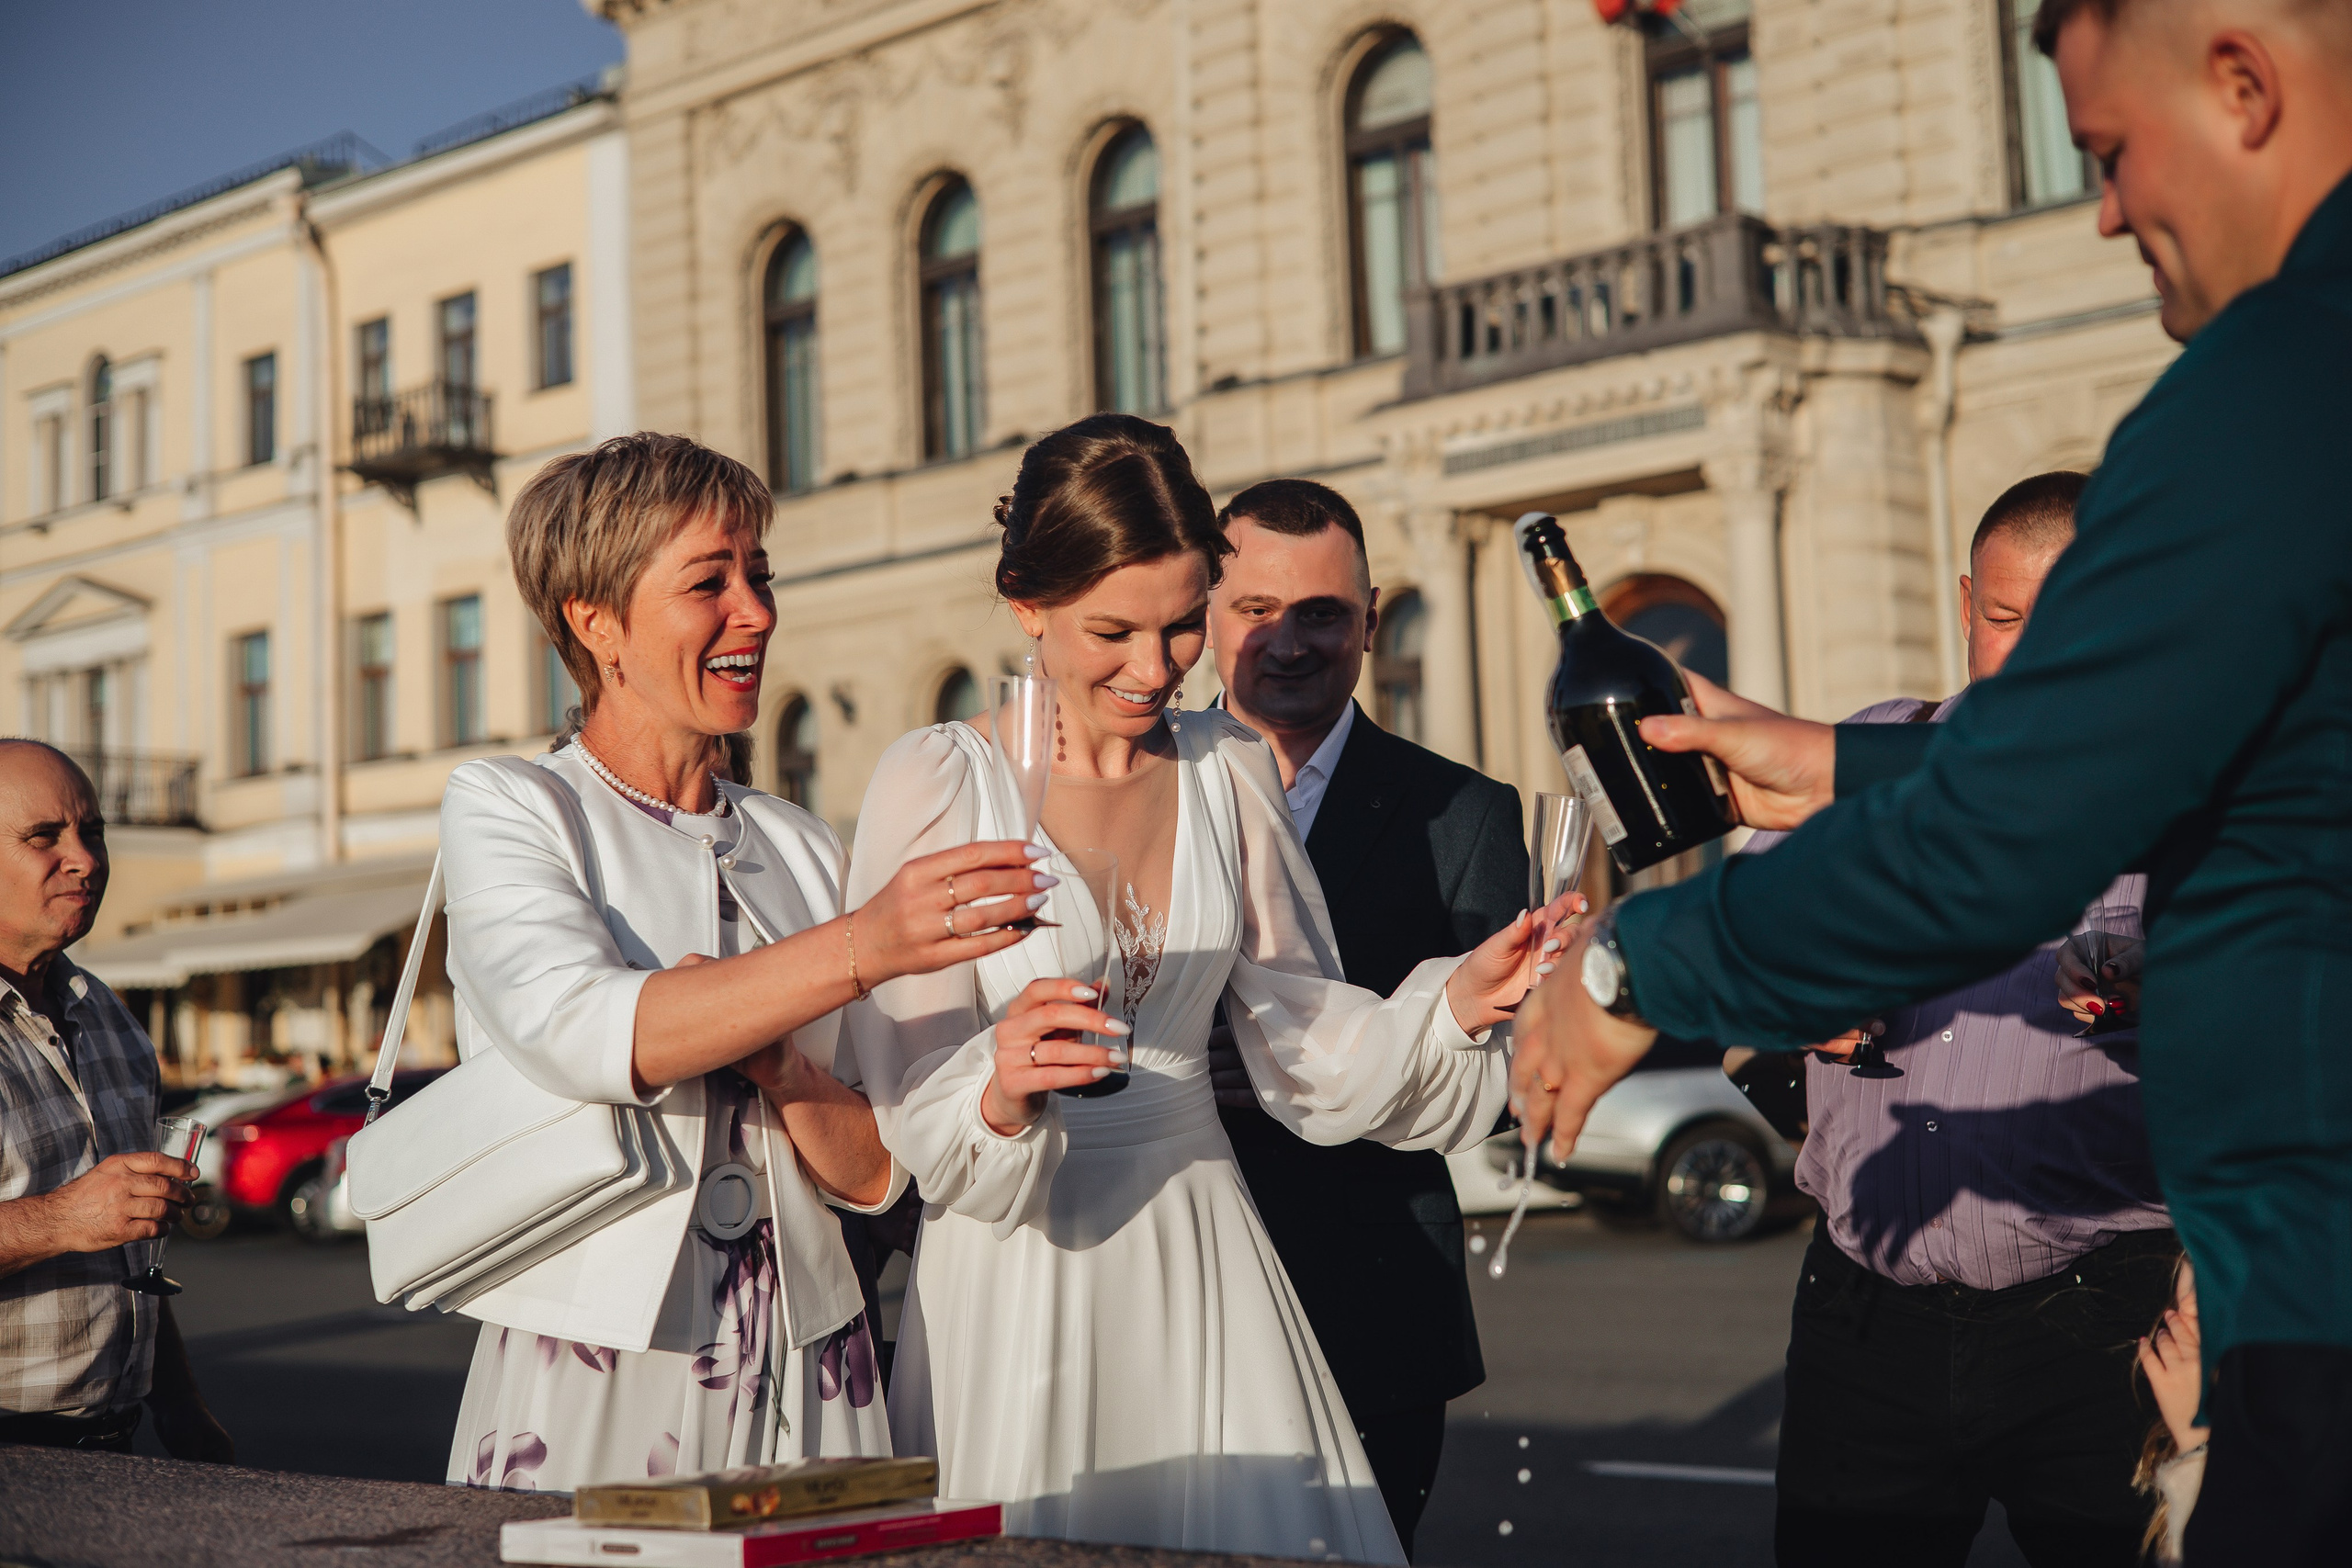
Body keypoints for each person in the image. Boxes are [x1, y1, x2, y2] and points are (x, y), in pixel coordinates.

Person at [1510, 4, 2352, 1561]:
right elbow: (2175, 758)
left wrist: (1640, 960)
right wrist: (1838, 759)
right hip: (1885, 1314)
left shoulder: (2282, 379)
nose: (2102, 208)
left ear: (2244, 84)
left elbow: (2012, 830)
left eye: (2105, 150)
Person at [845, 414, 1569, 1564]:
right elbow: (897, 1095)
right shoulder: (936, 782)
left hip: (1204, 1255)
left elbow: (1308, 1037)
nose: (1154, 667)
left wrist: (1451, 1004)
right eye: (1112, 631)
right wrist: (997, 1085)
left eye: (1182, 625)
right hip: (1018, 1265)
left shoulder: (1227, 771)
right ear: (1025, 601)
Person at [437, 434, 1050, 1490]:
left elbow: (878, 1175)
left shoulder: (800, 843)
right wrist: (868, 945)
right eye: (709, 582)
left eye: (758, 576)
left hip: (811, 1357)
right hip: (602, 1356)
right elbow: (585, 1030)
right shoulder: (515, 807)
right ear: (595, 622)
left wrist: (790, 1073)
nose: (756, 613)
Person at [1759, 473, 2176, 1568]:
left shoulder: (2193, 802)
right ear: (1962, 603)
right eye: (2002, 619)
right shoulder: (1852, 763)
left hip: (2104, 1325)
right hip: (1863, 1323)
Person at [1202, 478, 1527, 1555]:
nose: (1285, 642)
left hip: (1375, 1308)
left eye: (1321, 615)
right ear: (1206, 607)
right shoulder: (1128, 781)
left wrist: (1303, 1072)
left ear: (1371, 620)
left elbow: (1487, 1079)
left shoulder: (1467, 813)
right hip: (1178, 1283)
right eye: (1254, 610)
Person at [0, 739, 232, 1460]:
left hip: (113, 1444)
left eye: (93, 831)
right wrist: (65, 1217)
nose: (86, 858)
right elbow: (88, 1218)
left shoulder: (105, 1014)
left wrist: (181, 1403)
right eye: (45, 837)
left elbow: (135, 1255)